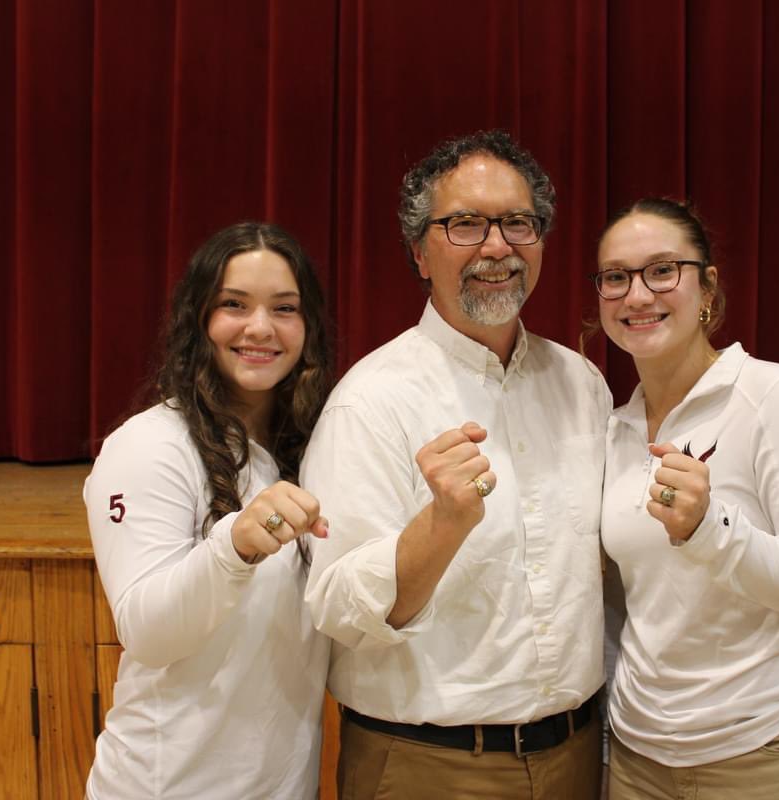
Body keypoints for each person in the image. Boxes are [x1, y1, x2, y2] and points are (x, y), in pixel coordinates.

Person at [301, 130, 611, 800]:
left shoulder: (582, 385)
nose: (496, 247)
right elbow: (337, 608)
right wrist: (441, 526)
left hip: (576, 756)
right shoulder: (371, 400)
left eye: (517, 224)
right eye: (465, 224)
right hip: (430, 766)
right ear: (420, 251)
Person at [594, 198, 779, 799]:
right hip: (638, 759)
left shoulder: (778, 399)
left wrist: (710, 528)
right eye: (616, 277)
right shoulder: (616, 427)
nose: (637, 295)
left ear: (706, 287)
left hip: (759, 755)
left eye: (662, 270)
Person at [84, 222, 334, 799]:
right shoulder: (151, 445)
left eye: (285, 307)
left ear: (309, 326)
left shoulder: (314, 445)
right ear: (199, 318)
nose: (260, 327)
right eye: (234, 305)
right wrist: (236, 544)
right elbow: (145, 631)